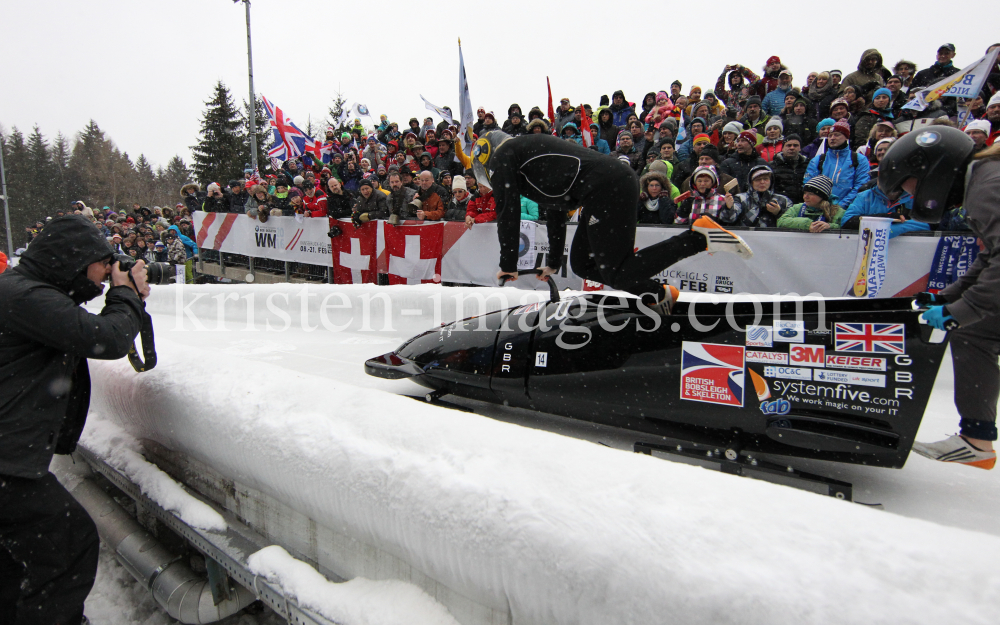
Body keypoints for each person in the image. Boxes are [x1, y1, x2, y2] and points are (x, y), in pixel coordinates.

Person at [0, 216, 148, 624]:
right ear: (73, 259)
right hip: (6, 464)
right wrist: (125, 294)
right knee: (68, 544)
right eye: (102, 263)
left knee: (16, 559)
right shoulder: (25, 295)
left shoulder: (24, 290)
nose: (105, 273)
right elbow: (107, 338)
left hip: (10, 459)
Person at [473, 131, 751, 315]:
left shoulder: (504, 156)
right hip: (605, 187)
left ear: (485, 158)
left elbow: (508, 213)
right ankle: (658, 294)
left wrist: (508, 264)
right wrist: (554, 262)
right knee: (583, 264)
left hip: (607, 187)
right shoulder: (528, 160)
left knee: (617, 271)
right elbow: (555, 209)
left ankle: (698, 237)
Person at [877, 127, 1000, 468]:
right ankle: (977, 438)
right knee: (977, 333)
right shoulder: (983, 180)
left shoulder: (988, 185)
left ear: (930, 169)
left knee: (975, 326)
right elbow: (990, 257)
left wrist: (963, 308)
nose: (909, 196)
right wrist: (946, 297)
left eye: (908, 186)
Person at [803, 120, 870, 207]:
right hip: (820, 208)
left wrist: (841, 205)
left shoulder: (859, 159)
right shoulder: (818, 160)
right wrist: (821, 204)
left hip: (848, 209)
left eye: (837, 135)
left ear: (846, 137)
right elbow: (808, 185)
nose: (832, 138)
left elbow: (861, 185)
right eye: (830, 135)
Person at [722, 165, 790, 227]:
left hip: (774, 238)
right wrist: (729, 208)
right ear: (751, 182)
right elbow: (729, 219)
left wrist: (779, 212)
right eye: (758, 179)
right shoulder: (740, 198)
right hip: (747, 237)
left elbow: (791, 222)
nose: (762, 182)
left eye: (766, 179)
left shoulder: (783, 200)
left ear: (771, 181)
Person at [777, 175, 845, 231]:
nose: (805, 196)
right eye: (804, 193)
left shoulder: (837, 211)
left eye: (810, 193)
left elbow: (844, 228)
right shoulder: (798, 208)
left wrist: (829, 226)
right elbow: (781, 222)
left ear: (822, 197)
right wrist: (807, 224)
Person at [771, 134, 809, 203]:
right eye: (788, 145)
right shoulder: (772, 166)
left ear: (800, 148)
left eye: (795, 145)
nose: (792, 148)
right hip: (780, 205)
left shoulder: (807, 165)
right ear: (782, 148)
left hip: (802, 205)